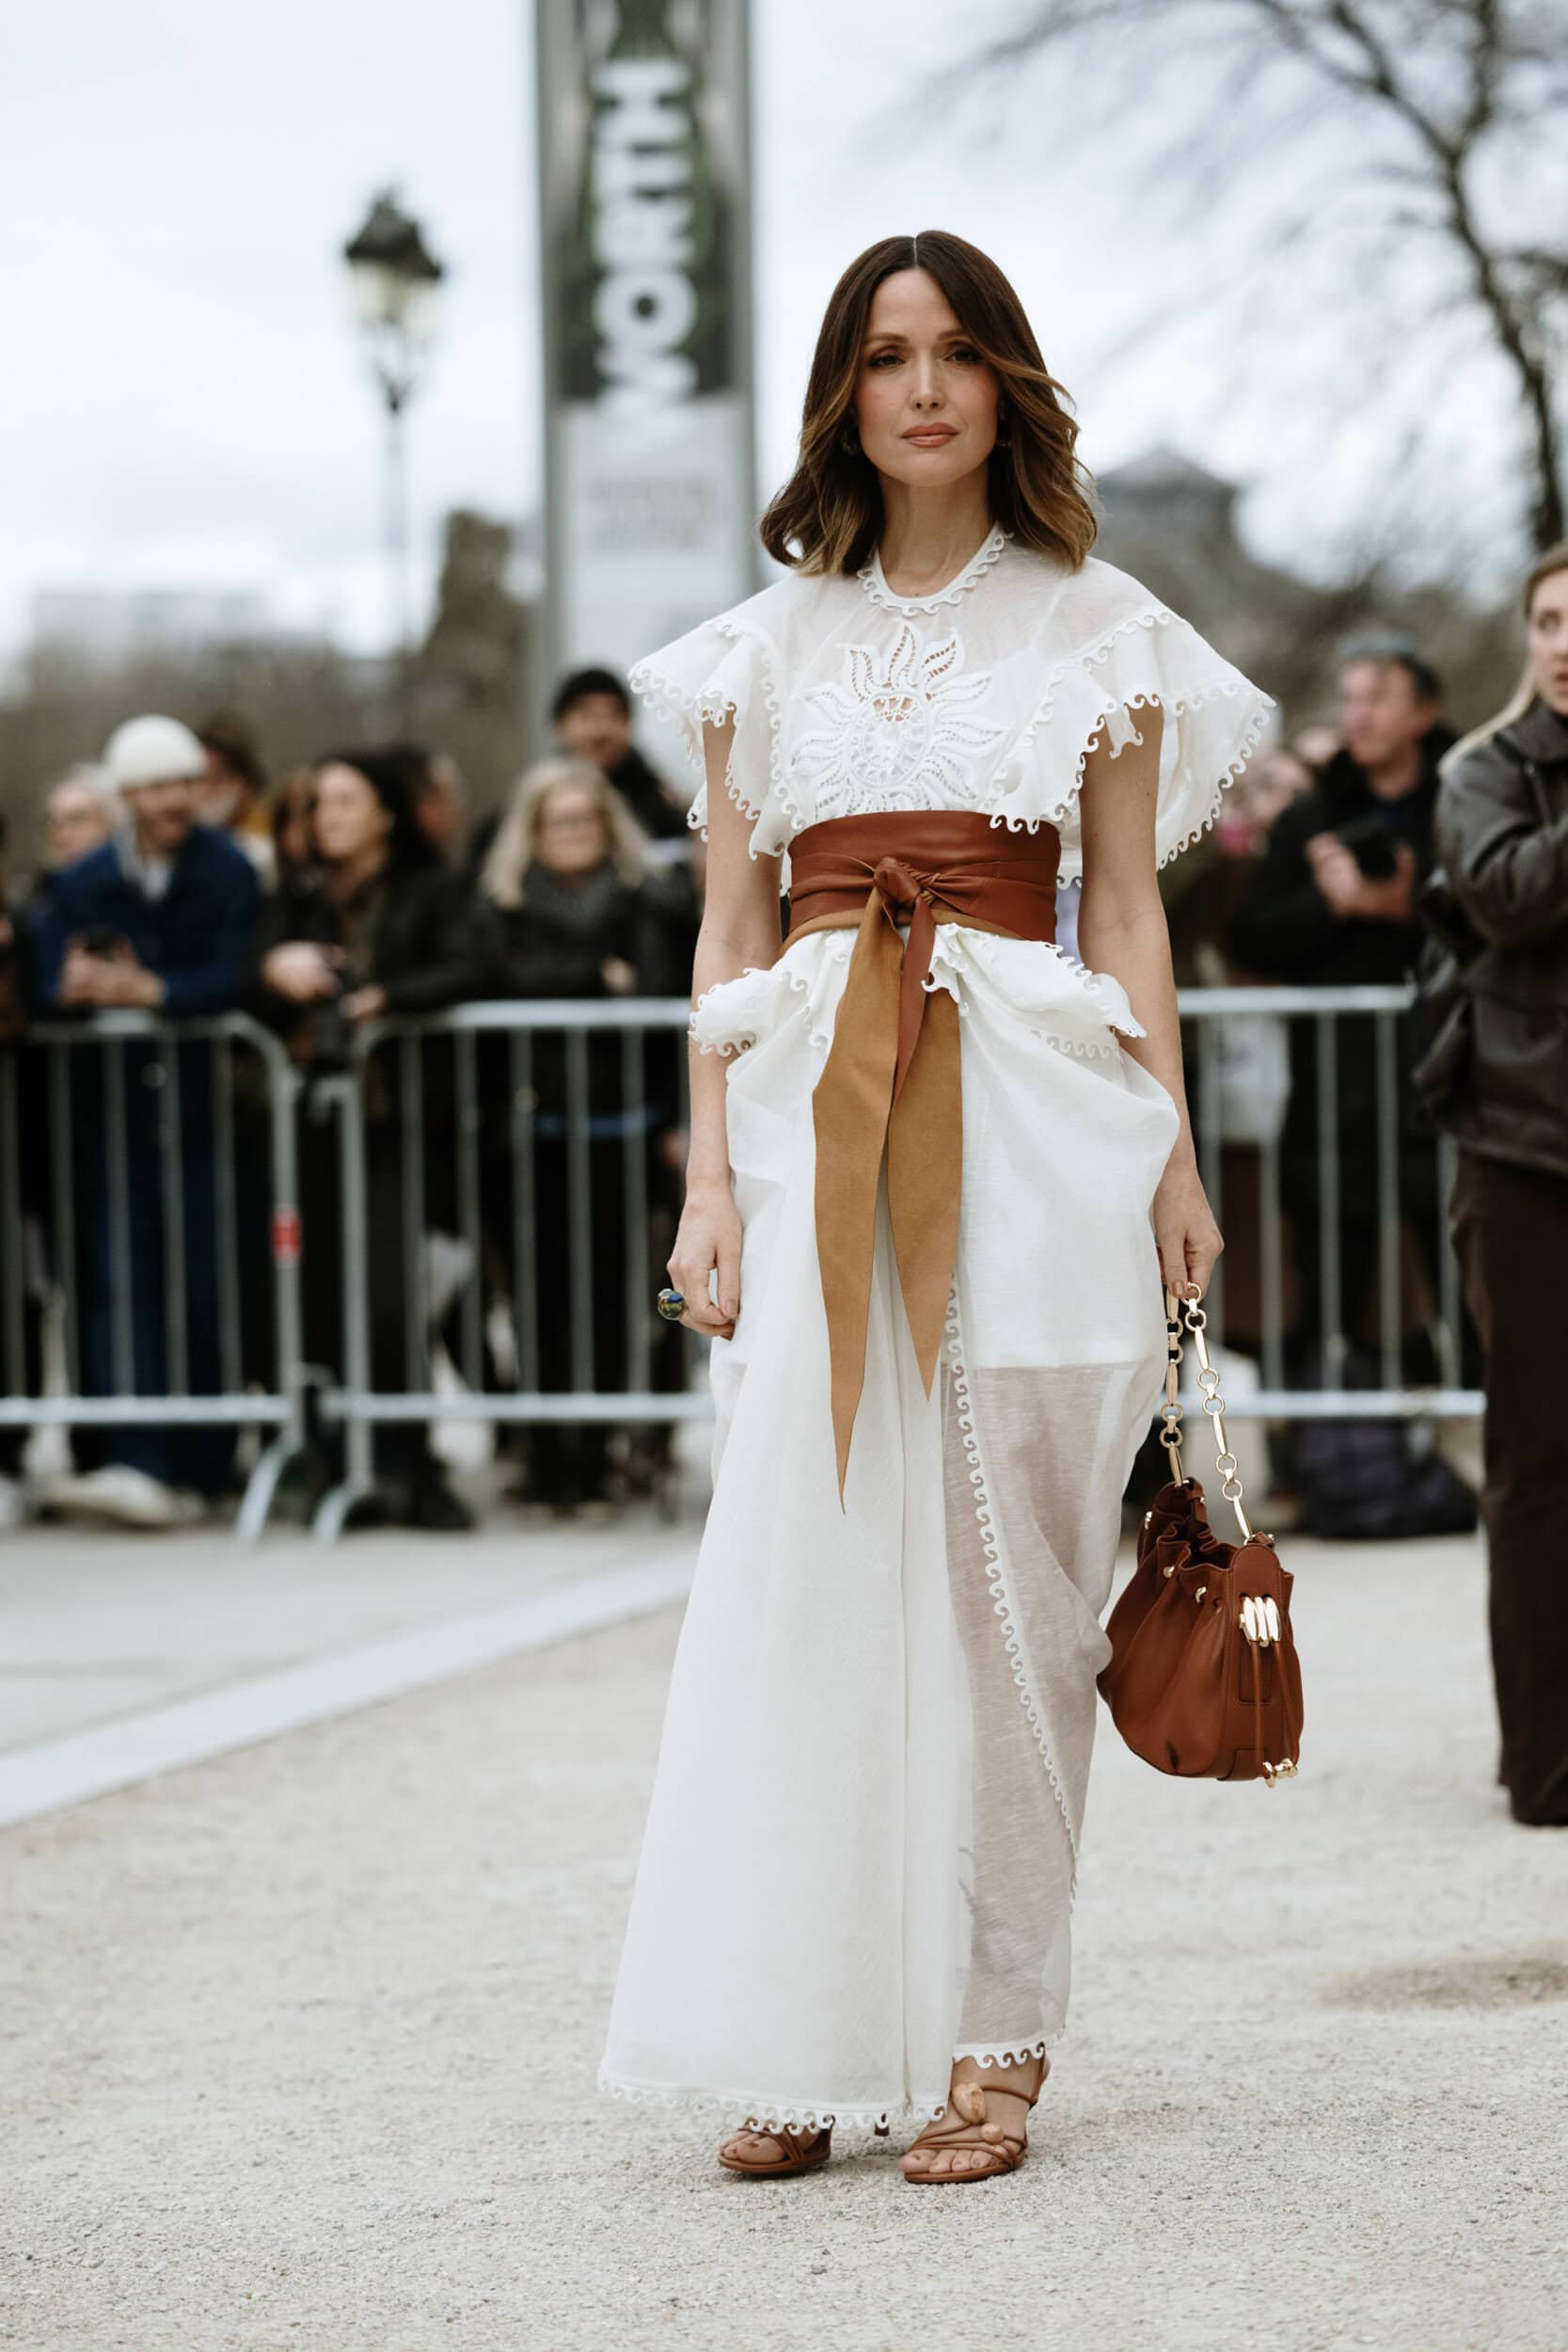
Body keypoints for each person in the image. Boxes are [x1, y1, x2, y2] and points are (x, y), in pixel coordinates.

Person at [598, 230, 1270, 2180]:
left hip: (1041, 1130)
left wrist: (1173, 1154)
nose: (919, 386)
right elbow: (728, 920)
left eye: (955, 351)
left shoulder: (1100, 628)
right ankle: (802, 2021)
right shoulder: (756, 649)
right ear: (839, 389)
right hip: (816, 1121)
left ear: (1003, 384)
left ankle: (996, 2030)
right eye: (884, 353)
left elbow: (1127, 906)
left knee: (1008, 1587)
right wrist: (707, 1176)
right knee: (812, 1572)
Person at [34, 714, 261, 1526]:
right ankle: (136, 1457)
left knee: (201, 1287)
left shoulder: (229, 870)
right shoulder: (86, 878)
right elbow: (44, 977)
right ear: (126, 795)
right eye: (156, 786)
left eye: (183, 783)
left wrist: (152, 992)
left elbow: (236, 975)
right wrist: (72, 986)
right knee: (120, 1287)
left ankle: (203, 1463)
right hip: (112, 1115)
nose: (173, 800)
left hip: (204, 1112)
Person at [252, 749, 480, 1531]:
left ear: (384, 812)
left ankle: (404, 1464)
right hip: (312, 1124)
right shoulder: (297, 902)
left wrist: (386, 998)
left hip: (398, 1125)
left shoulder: (431, 892)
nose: (328, 817)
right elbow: (240, 981)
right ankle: (331, 1461)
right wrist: (275, 967)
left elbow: (477, 965)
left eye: (346, 801)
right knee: (316, 1298)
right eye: (318, 803)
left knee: (390, 1298)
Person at [1430, 541, 1568, 1827]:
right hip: (1522, 1155)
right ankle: (1542, 1762)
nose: (1561, 643)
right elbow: (1512, 897)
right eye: (1544, 621)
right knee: (1531, 1462)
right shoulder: (1481, 772)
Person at [1229, 638, 1454, 1367]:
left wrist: (1404, 907)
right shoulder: (1314, 811)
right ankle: (1327, 1470)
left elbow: (1505, 917)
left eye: (1377, 698)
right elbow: (1252, 935)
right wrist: (1329, 905)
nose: (1358, 716)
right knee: (1327, 1300)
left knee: (1470, 1292)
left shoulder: (1465, 793)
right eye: (1349, 698)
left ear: (1422, 712)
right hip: (1335, 1097)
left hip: (1450, 1088)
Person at [473, 757, 690, 1514]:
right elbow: (497, 981)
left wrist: (679, 1118)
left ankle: (600, 1456)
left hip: (624, 1126)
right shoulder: (501, 904)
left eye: (585, 819)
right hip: (530, 1130)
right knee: (536, 1300)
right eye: (557, 821)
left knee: (617, 1298)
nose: (573, 833)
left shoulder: (648, 901)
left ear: (608, 825)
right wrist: (594, 977)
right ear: (532, 833)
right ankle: (545, 1457)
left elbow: (663, 1003)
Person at [552, 667, 690, 843]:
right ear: (560, 726)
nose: (600, 731)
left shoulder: (662, 799)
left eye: (612, 715)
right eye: (586, 716)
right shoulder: (539, 798)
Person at [195, 714, 275, 884]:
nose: (202, 791)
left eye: (216, 779)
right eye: (198, 778)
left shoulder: (268, 839)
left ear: (244, 784)